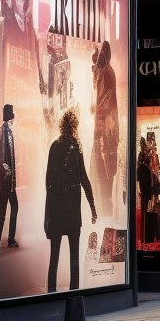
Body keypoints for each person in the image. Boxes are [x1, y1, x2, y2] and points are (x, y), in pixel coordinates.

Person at [44, 109, 97, 292]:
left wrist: (48, 215)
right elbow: (84, 179)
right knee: (74, 258)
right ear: (75, 126)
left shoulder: (54, 147)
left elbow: (48, 182)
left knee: (54, 259)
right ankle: (74, 296)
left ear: (61, 125)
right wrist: (93, 208)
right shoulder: (76, 146)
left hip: (57, 211)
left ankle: (51, 295)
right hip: (73, 212)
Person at [89, 40, 119, 216]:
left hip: (105, 128)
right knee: (100, 169)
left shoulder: (107, 73)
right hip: (101, 127)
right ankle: (101, 211)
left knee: (105, 169)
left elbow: (105, 102)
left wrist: (96, 111)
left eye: (99, 55)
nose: (96, 60)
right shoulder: (101, 72)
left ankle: (105, 212)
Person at [0, 104, 19, 251]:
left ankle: (6, 240)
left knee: (11, 208)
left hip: (8, 182)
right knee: (4, 212)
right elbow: (3, 157)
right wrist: (8, 174)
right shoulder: (6, 132)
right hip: (7, 182)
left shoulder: (5, 131)